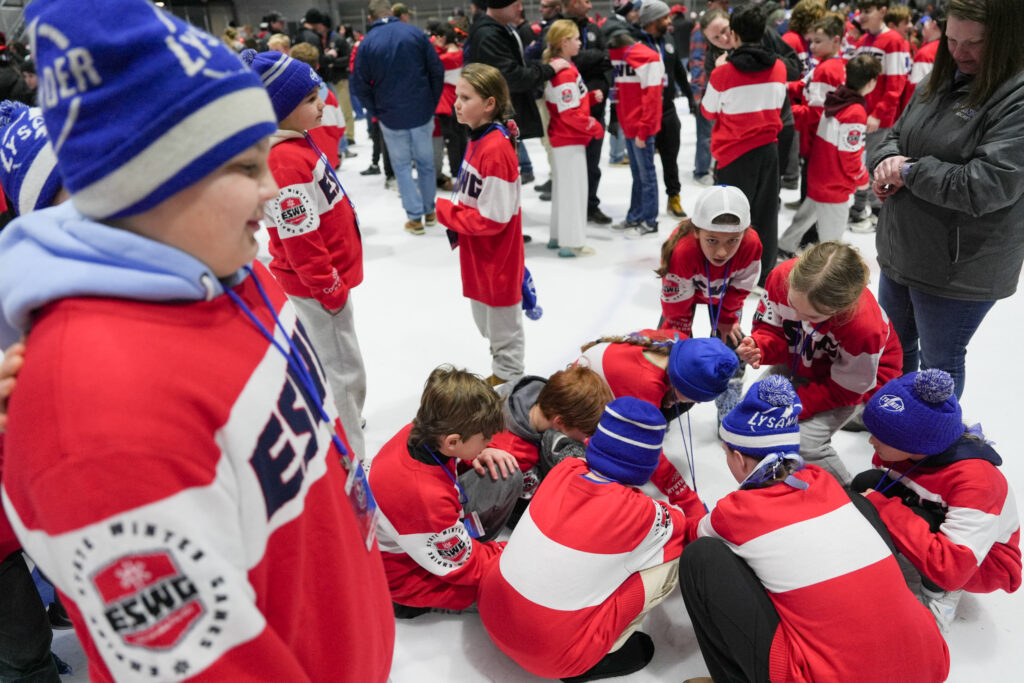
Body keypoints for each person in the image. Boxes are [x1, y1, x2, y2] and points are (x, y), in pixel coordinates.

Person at [0, 1, 394, 680]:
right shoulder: (93, 417)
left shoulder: (231, 268)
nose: (272, 190)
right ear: (144, 182)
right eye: (245, 168)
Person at [679, 375, 950, 683]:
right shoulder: (825, 481)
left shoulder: (735, 512)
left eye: (727, 453)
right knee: (858, 506)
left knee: (701, 558)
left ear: (740, 458)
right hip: (928, 663)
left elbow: (690, 535)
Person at [478, 397, 697, 682]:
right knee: (672, 561)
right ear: (647, 465)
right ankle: (603, 649)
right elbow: (684, 527)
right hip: (553, 658)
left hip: (491, 613)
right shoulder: (642, 513)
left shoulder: (564, 469)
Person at [871, 0, 1024, 401]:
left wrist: (908, 171)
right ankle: (894, 423)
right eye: (952, 40)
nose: (960, 52)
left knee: (939, 364)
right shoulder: (939, 79)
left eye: (974, 43)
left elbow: (988, 184)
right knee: (895, 348)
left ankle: (931, 448)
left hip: (959, 266)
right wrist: (886, 162)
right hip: (903, 248)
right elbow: (895, 134)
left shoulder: (1016, 97)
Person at [246, 50, 368, 462]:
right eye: (310, 100)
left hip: (326, 281)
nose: (322, 105)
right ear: (282, 110)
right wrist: (327, 285)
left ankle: (345, 422)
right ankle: (349, 451)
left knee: (340, 364)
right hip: (319, 288)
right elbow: (299, 239)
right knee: (342, 370)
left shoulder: (296, 144)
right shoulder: (284, 161)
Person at [851, 369, 1022, 631]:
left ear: (918, 443)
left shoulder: (978, 482)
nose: (872, 441)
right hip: (930, 512)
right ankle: (891, 556)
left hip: (982, 562)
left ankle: (939, 599)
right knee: (868, 483)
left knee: (896, 510)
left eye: (883, 437)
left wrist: (884, 508)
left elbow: (952, 568)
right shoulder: (908, 450)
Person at [736, 242, 902, 485]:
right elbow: (771, 330)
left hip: (853, 385)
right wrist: (760, 346)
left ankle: (847, 496)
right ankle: (777, 481)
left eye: (813, 317)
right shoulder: (781, 277)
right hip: (802, 361)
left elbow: (845, 390)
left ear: (841, 308)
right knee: (751, 412)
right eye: (793, 305)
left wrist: (791, 406)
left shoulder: (864, 327)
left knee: (804, 442)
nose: (800, 320)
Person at [368, 366, 522, 618]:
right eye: (484, 438)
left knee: (504, 473)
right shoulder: (423, 496)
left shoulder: (418, 430)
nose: (490, 442)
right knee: (509, 588)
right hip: (404, 577)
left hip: (416, 534)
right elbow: (463, 565)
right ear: (452, 441)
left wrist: (481, 450)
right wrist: (508, 553)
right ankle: (408, 604)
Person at [436, 63, 526, 388]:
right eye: (457, 96)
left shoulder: (496, 148)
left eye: (465, 97)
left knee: (503, 330)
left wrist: (447, 213)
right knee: (488, 324)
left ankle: (509, 386)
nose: (456, 103)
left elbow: (494, 217)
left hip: (495, 256)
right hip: (479, 252)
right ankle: (502, 374)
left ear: (489, 103)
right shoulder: (479, 137)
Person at [701, 3, 787, 284]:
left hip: (734, 154)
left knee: (728, 218)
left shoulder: (722, 73)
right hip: (769, 150)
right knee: (766, 214)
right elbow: (777, 103)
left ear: (734, 35)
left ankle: (729, 272)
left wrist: (718, 70)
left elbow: (707, 111)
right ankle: (764, 276)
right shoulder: (779, 67)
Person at [351, 0, 444, 235]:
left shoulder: (366, 43)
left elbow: (360, 85)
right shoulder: (414, 33)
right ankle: (430, 210)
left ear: (370, 18)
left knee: (401, 166)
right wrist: (431, 102)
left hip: (390, 114)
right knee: (425, 163)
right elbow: (436, 71)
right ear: (392, 12)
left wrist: (376, 111)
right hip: (421, 110)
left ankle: (414, 218)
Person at [778, 54, 880, 257]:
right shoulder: (855, 112)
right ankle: (828, 268)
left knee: (806, 216)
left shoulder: (835, 98)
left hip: (819, 173)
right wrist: (862, 179)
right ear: (871, 83)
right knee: (832, 239)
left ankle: (785, 246)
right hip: (835, 183)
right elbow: (850, 155)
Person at [488, 365, 613, 516]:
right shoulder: (514, 454)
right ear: (559, 422)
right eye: (585, 434)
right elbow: (539, 503)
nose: (586, 440)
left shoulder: (543, 394)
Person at [657, 184, 762, 342]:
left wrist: (727, 318)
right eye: (712, 240)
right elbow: (676, 301)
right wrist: (680, 333)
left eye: (732, 240)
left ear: (743, 234)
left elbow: (741, 288)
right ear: (697, 232)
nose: (722, 252)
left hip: (726, 298)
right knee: (672, 347)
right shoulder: (682, 251)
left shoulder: (751, 245)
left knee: (730, 346)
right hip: (682, 298)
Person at [467, 0, 570, 154]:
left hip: (498, 117)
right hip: (494, 120)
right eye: (516, 5)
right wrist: (549, 69)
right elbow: (513, 77)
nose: (521, 9)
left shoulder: (499, 29)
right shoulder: (489, 34)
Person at [543, 19, 604, 257]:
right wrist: (594, 126)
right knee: (573, 191)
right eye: (577, 38)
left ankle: (559, 236)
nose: (581, 42)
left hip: (566, 137)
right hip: (569, 137)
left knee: (565, 190)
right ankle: (571, 242)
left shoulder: (563, 68)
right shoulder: (564, 72)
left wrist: (588, 98)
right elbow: (569, 113)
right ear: (564, 41)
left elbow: (567, 104)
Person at [847, 0, 910, 231]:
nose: (861, 16)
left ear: (882, 11)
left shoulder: (893, 40)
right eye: (860, 11)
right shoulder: (862, 41)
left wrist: (877, 113)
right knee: (859, 164)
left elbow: (896, 85)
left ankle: (876, 211)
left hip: (879, 119)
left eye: (867, 11)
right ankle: (862, 208)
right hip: (859, 115)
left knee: (876, 164)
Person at [638, 1, 697, 220]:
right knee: (644, 165)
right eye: (664, 18)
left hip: (668, 110)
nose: (669, 21)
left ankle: (674, 197)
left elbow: (680, 73)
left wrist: (691, 98)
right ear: (652, 21)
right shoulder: (637, 44)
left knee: (670, 157)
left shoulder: (669, 40)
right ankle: (645, 205)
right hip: (645, 112)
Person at [607, 27, 664, 236]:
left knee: (646, 176)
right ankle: (635, 216)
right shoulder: (623, 60)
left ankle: (650, 221)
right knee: (638, 175)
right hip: (630, 126)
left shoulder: (648, 59)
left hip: (641, 129)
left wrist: (644, 130)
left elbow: (653, 98)